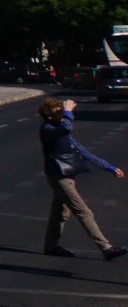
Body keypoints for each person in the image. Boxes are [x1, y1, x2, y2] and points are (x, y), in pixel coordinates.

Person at [40, 97, 125, 260]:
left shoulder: (61, 130)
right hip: (59, 177)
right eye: (58, 111)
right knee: (84, 212)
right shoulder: (48, 129)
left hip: (68, 176)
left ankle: (51, 246)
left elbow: (84, 152)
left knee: (60, 213)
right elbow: (67, 128)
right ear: (49, 115)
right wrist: (68, 112)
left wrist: (110, 168)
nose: (62, 114)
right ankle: (106, 248)